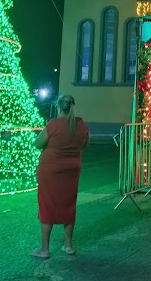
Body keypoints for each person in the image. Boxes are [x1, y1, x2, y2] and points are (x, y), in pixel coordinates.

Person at [32, 94, 90, 258]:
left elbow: (38, 144)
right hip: (72, 170)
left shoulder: (54, 124)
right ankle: (68, 245)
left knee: (47, 205)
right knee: (68, 204)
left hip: (50, 170)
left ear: (58, 107)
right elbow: (84, 143)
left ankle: (44, 249)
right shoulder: (80, 124)